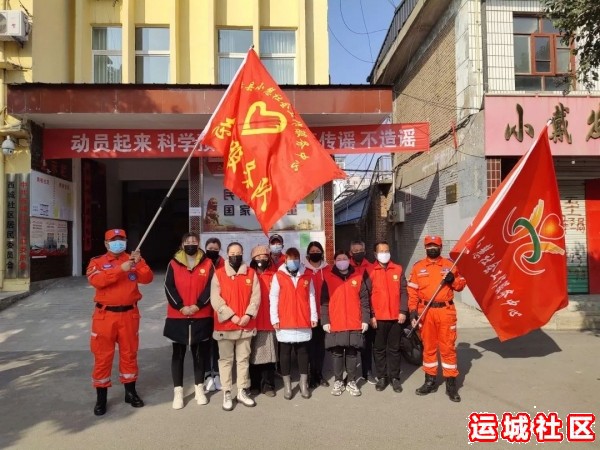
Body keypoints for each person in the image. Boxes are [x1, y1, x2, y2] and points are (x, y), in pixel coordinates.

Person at [86, 228, 154, 416]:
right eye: (113, 240)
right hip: (105, 316)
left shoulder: (133, 259)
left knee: (129, 354)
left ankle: (130, 393)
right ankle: (101, 398)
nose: (118, 243)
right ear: (106, 244)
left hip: (129, 315)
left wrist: (138, 263)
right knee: (102, 356)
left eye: (121, 239)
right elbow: (96, 281)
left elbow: (148, 278)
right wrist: (119, 269)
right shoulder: (97, 262)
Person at [408, 235, 466, 402]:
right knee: (429, 348)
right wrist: (413, 311)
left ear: (441, 248)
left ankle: (451, 386)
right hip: (426, 312)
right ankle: (430, 381)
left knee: (448, 348)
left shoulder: (450, 265)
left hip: (445, 311)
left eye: (435, 246)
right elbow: (412, 291)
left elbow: (461, 285)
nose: (432, 248)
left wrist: (453, 280)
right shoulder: (418, 267)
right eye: (429, 246)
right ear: (425, 248)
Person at [163, 232, 214, 409]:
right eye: (187, 241)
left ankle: (199, 389)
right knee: (178, 355)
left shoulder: (208, 263)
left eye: (194, 241)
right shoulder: (173, 263)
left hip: (201, 315)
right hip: (178, 316)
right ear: (182, 244)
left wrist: (198, 305)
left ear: (198, 243)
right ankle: (178, 392)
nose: (191, 244)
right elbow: (168, 286)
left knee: (200, 355)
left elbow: (211, 287)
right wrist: (180, 306)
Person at [210, 242, 261, 411]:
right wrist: (232, 315)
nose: (235, 256)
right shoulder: (218, 274)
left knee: (243, 360)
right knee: (225, 361)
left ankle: (241, 390)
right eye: (232, 253)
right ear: (227, 254)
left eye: (238, 253)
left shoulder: (251, 273)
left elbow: (256, 297)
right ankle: (226, 392)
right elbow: (215, 300)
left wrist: (248, 315)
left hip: (245, 326)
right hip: (225, 326)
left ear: (243, 254)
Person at [270, 248, 318, 400]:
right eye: (290, 258)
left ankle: (303, 384)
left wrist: (314, 316)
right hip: (285, 319)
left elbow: (311, 296)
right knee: (285, 353)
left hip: (303, 319)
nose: (293, 261)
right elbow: (274, 298)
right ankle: (288, 386)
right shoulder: (279, 276)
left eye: (296, 258)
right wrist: (275, 319)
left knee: (302, 353)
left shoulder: (307, 275)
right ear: (285, 260)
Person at [321, 250, 370, 397]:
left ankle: (351, 381)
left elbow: (365, 301)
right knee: (336, 353)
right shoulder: (328, 278)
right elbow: (324, 302)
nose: (342, 261)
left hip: (355, 322)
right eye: (339, 259)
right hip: (336, 322)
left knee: (352, 353)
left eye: (344, 258)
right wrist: (325, 321)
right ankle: (338, 381)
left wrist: (365, 319)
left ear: (349, 260)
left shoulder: (358, 277)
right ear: (334, 262)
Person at [367, 241, 408, 393]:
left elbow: (404, 291)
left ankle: (395, 378)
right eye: (381, 251)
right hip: (378, 318)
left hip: (396, 318)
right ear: (375, 254)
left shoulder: (397, 269)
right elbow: (367, 295)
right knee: (379, 350)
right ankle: (382, 377)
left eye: (387, 250)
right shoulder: (370, 271)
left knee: (395, 349)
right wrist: (371, 315)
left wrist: (403, 311)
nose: (384, 253)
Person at [248, 245, 278, 397]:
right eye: (258, 257)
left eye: (264, 257)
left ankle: (268, 385)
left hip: (269, 322)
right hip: (252, 322)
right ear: (253, 259)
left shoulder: (275, 275)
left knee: (269, 357)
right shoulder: (249, 275)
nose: (261, 260)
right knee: (252, 356)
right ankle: (254, 384)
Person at [349, 240, 376, 385]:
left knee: (367, 345)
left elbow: (375, 293)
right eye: (355, 250)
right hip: (351, 313)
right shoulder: (346, 267)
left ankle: (367, 372)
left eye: (360, 250)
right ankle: (350, 374)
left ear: (365, 251)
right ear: (350, 252)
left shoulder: (371, 268)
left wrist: (372, 314)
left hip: (367, 312)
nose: (358, 252)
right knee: (351, 346)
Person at [304, 241, 330, 388]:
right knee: (308, 347)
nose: (315, 252)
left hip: (324, 315)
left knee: (320, 347)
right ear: (308, 253)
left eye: (317, 250)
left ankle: (318, 374)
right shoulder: (303, 270)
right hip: (307, 315)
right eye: (312, 250)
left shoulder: (328, 270)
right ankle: (309, 375)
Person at [203, 237, 223, 393]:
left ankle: (216, 373)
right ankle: (206, 375)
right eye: (210, 248)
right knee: (204, 344)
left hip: (218, 311)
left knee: (217, 344)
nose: (213, 251)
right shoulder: (200, 263)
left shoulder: (224, 264)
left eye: (216, 249)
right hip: (203, 311)